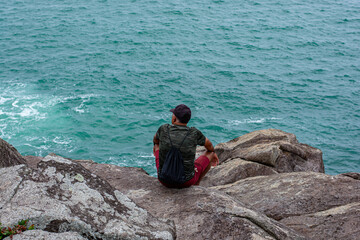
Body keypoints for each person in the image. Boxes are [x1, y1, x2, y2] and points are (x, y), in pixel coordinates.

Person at [153, 104, 219, 188]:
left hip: (163, 179)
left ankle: (163, 169)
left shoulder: (163, 129)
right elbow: (209, 146)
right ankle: (196, 183)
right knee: (211, 153)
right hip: (186, 182)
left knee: (156, 145)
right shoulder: (194, 133)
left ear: (174, 118)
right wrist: (213, 152)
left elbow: (155, 140)